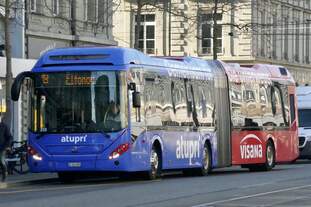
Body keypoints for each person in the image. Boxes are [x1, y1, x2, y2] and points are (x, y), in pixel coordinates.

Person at [0, 117, 13, 182]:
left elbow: (10, 137)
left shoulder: (4, 126)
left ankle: (4, 173)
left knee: (1, 161)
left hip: (2, 147)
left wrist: (7, 146)